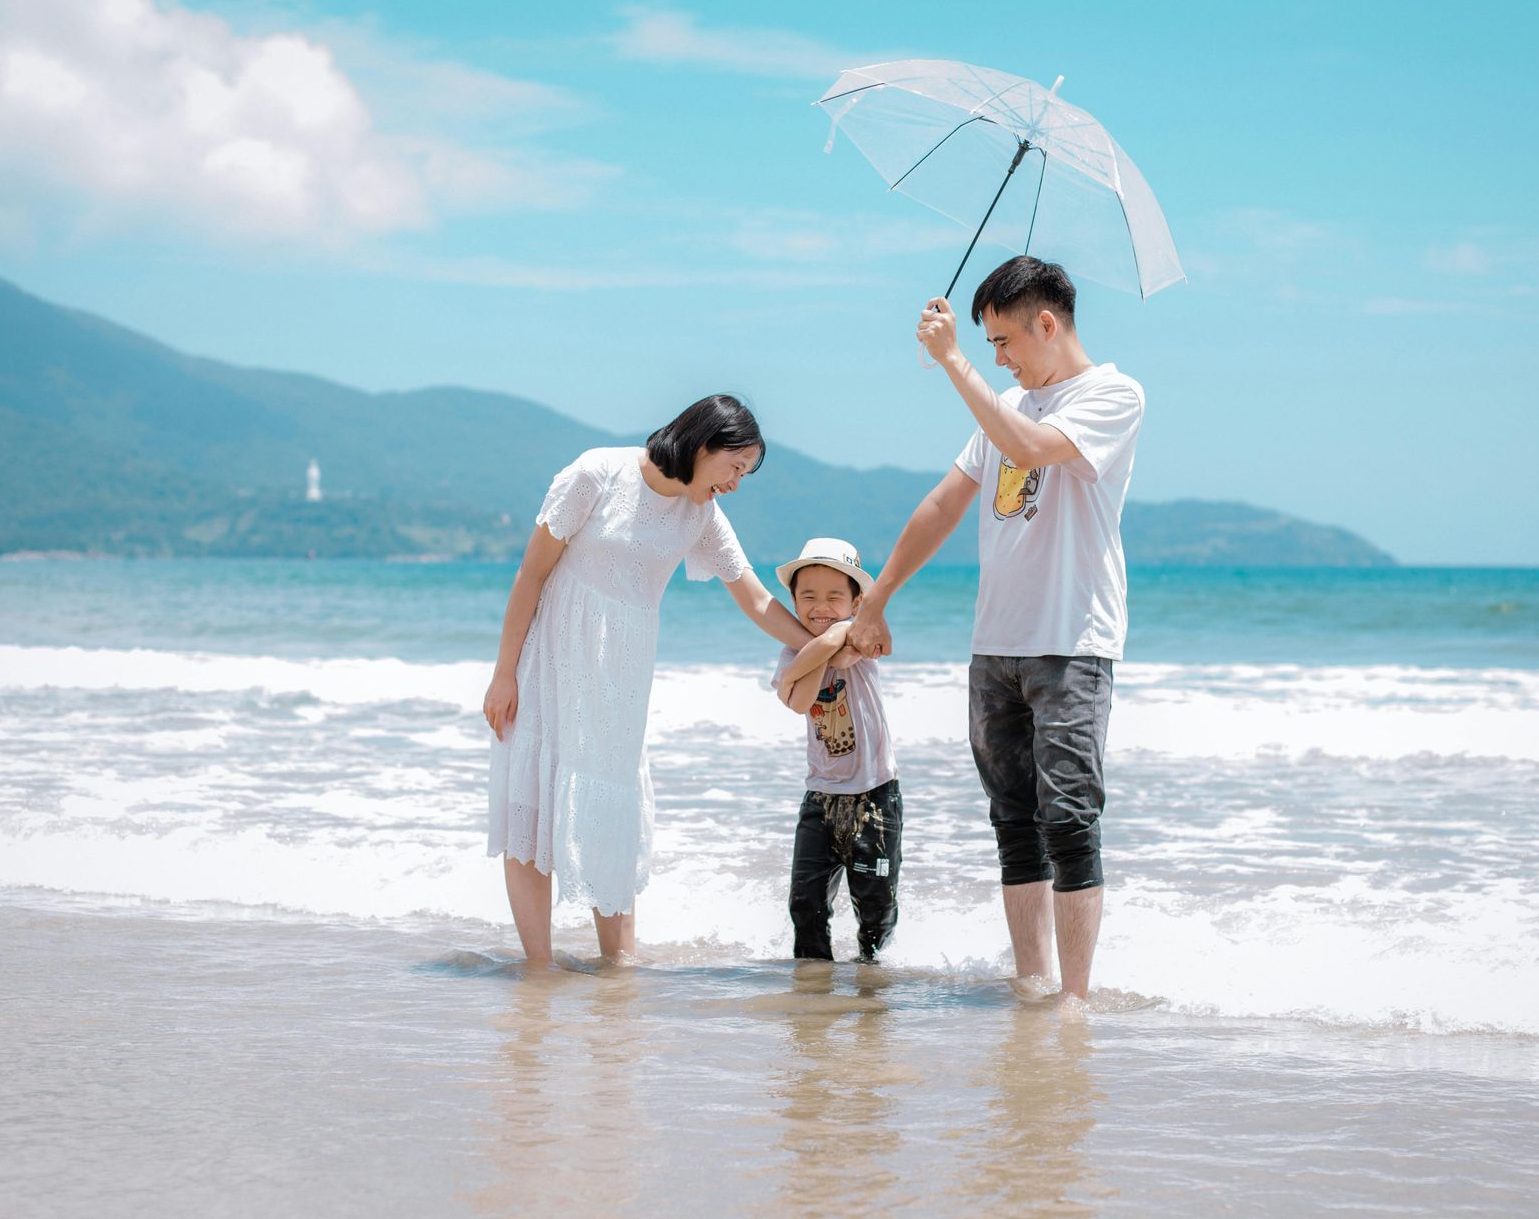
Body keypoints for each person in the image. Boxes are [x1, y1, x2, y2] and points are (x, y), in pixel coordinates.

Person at [847, 256, 1144, 1002]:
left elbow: (1033, 450)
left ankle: (1074, 1002)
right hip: (995, 647)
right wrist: (876, 598)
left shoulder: (1113, 394)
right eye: (987, 348)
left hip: (1071, 643)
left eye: (1005, 341)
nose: (1000, 358)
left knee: (1069, 820)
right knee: (1013, 823)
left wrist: (952, 364)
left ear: (1048, 324)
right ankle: (1031, 987)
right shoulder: (1005, 404)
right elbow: (944, 505)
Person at [483, 395, 811, 969]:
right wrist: (504, 673)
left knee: (611, 815)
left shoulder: (700, 515)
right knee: (534, 811)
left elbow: (757, 601)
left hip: (619, 684)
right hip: (551, 668)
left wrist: (828, 644)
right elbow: (531, 575)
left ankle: (620, 965)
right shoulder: (596, 474)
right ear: (705, 445)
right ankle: (538, 967)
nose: (736, 483)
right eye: (735, 467)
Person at [770, 537, 901, 962]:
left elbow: (861, 642)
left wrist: (838, 640)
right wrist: (826, 650)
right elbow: (796, 701)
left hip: (875, 796)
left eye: (833, 597)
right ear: (792, 601)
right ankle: (812, 990)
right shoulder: (793, 651)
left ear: (856, 602)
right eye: (807, 596)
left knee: (875, 906)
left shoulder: (863, 636)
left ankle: (873, 981)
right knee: (805, 905)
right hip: (820, 799)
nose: (819, 606)